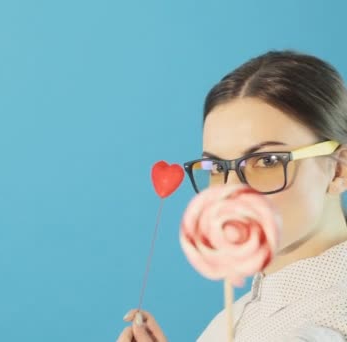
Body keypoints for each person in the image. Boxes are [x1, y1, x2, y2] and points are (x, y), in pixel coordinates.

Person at [117, 50, 347, 342]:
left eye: (267, 161)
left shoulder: (324, 325)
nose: (232, 191)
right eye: (215, 167)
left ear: (339, 170)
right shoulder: (244, 311)